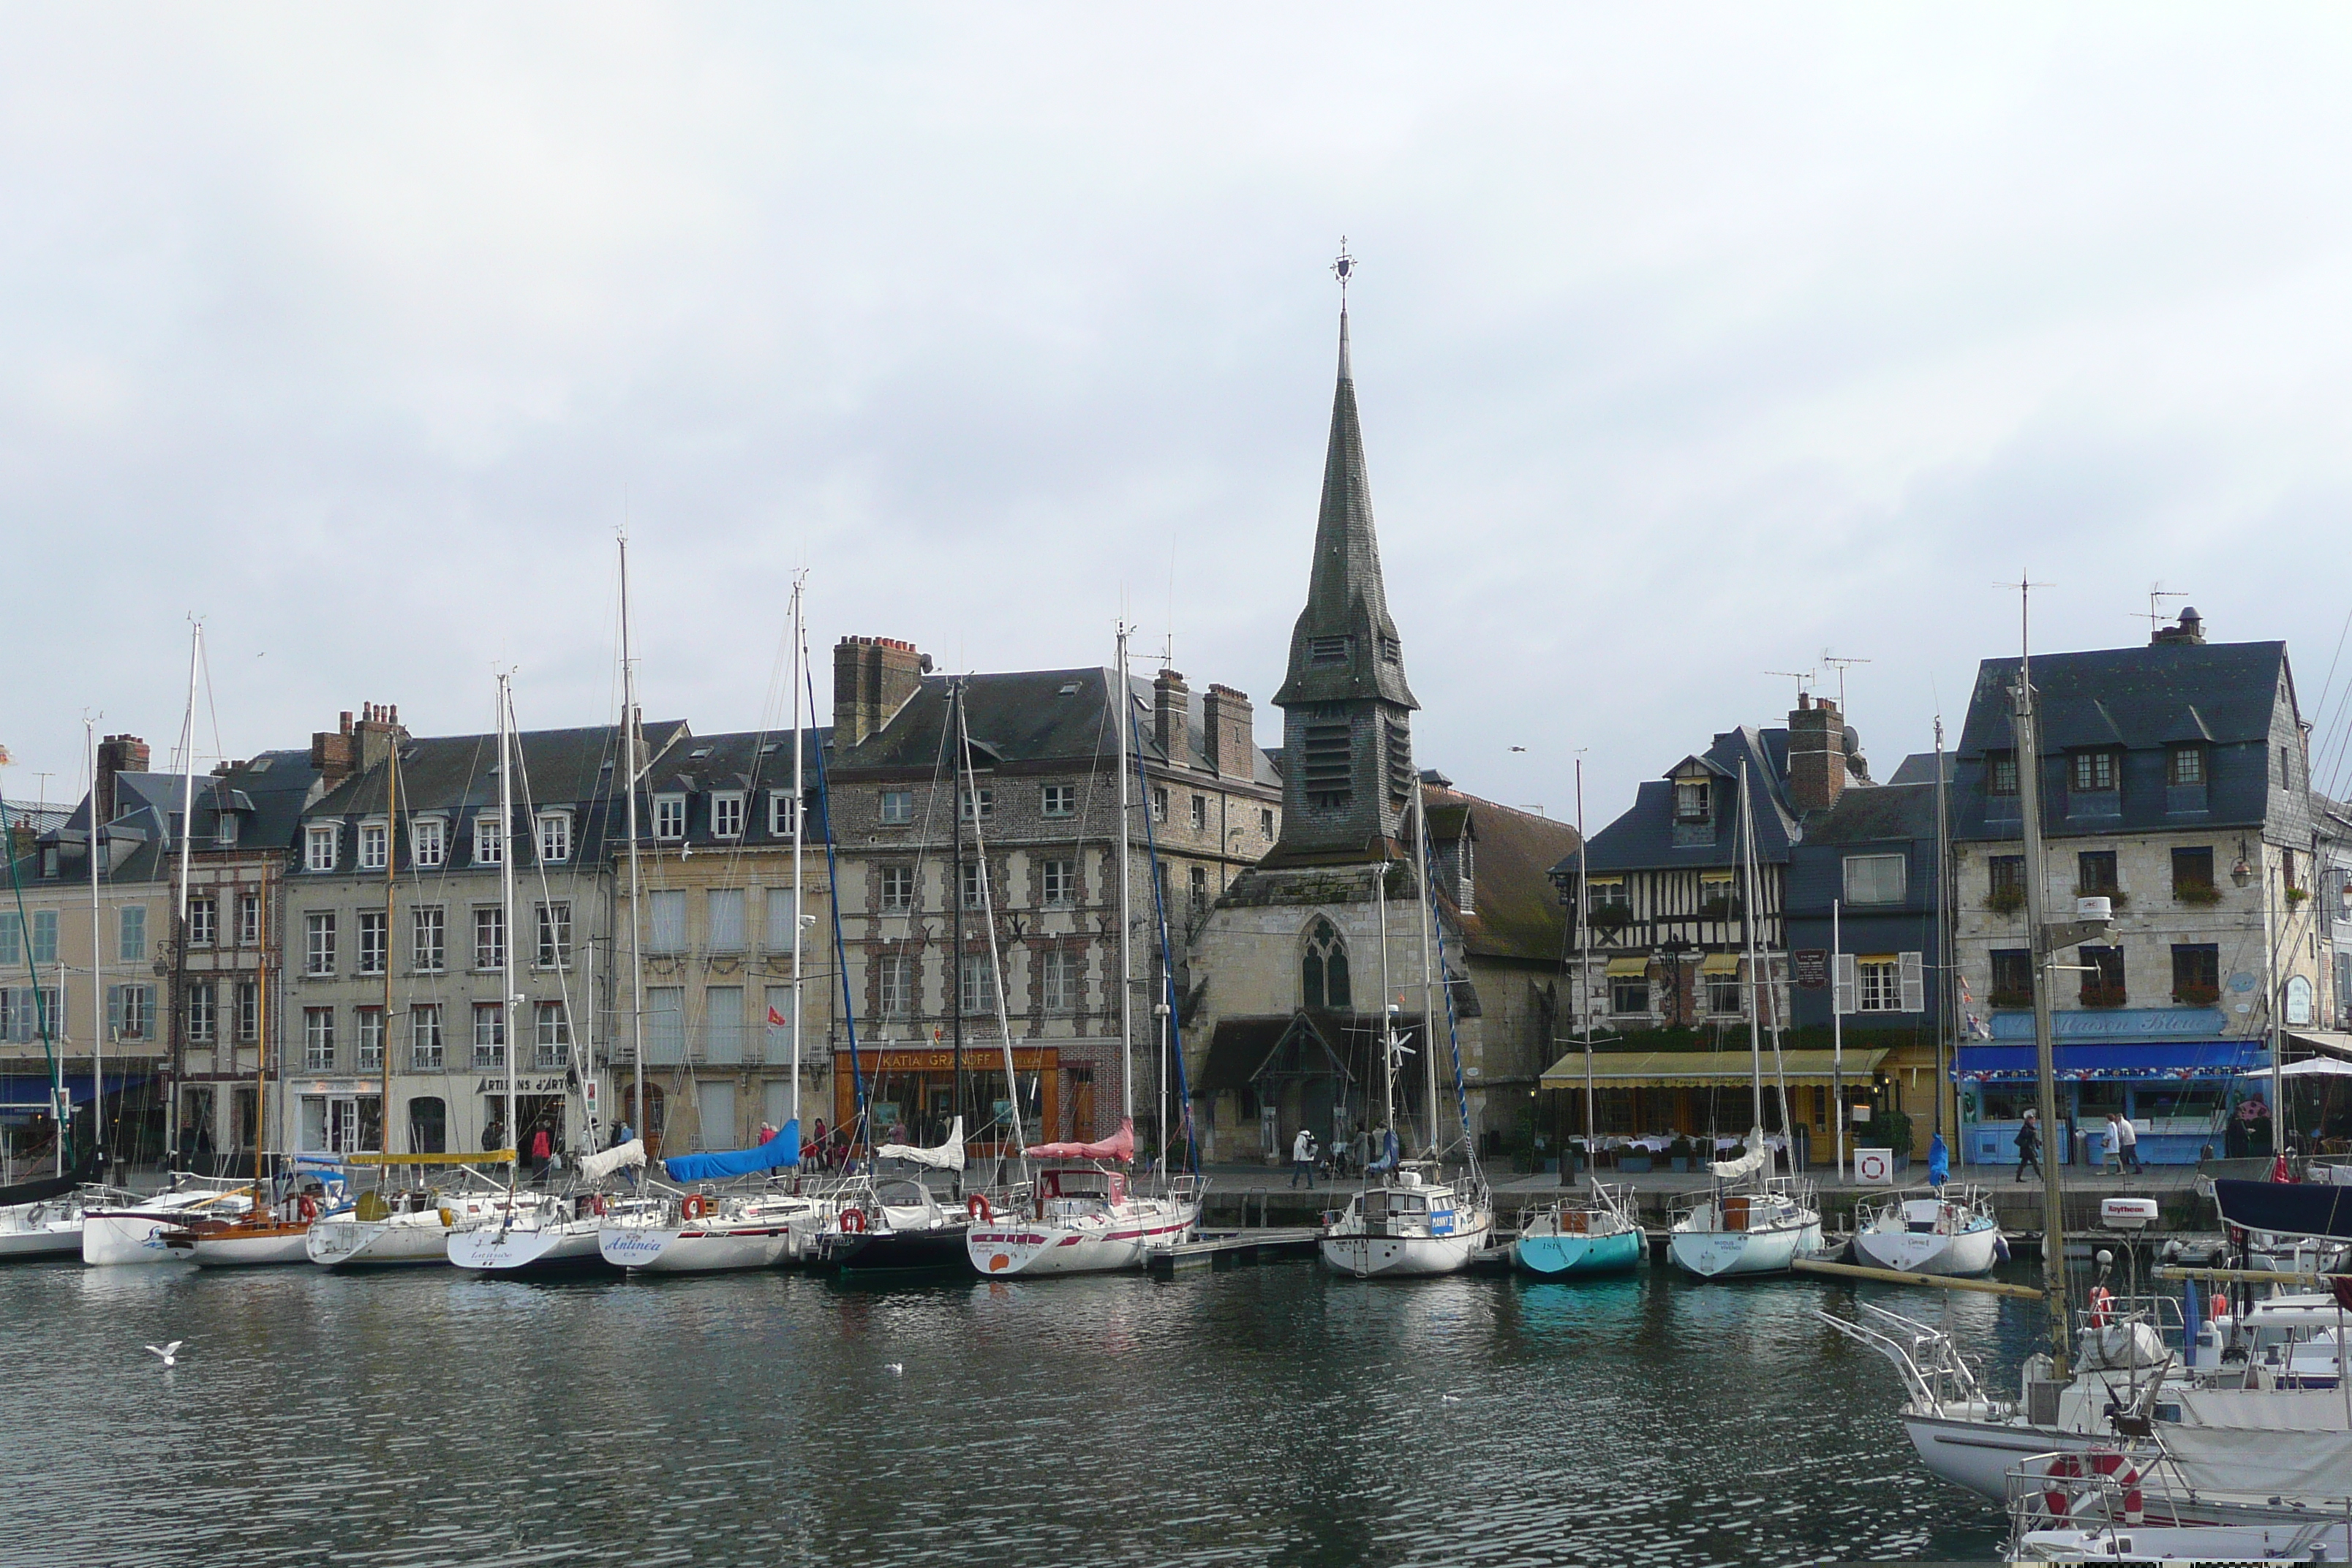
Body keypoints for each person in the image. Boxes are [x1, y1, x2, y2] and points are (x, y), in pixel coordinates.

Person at [2015, 1109, 2042, 1184]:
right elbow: (2027, 1136)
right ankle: (2042, 1177)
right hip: (2028, 1149)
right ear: (2029, 1120)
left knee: (2023, 1164)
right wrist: (2033, 1133)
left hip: (2028, 1149)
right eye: (2033, 1119)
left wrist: (2040, 1143)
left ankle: (2018, 1178)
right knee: (2035, 1163)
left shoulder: (2030, 1128)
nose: (2034, 1121)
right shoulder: (2025, 1128)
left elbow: (2034, 1139)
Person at [2114, 1109, 2142, 1175]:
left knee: (2121, 1156)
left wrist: (2118, 1140)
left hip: (2127, 1142)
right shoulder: (2127, 1122)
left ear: (2119, 1118)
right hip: (2132, 1141)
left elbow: (2121, 1134)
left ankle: (2120, 1170)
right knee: (2133, 1156)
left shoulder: (2121, 1124)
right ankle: (2139, 1169)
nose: (2116, 1120)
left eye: (2116, 1118)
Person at [1290, 1126, 1316, 1190]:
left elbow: (1298, 1147)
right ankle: (1311, 1184)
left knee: (1298, 1171)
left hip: (1302, 1157)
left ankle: (1294, 1184)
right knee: (1309, 1172)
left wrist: (1296, 1157)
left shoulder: (1300, 1137)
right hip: (1309, 1157)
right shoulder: (1311, 1136)